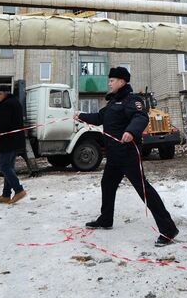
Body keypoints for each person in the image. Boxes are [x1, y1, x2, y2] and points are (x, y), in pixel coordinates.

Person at [75, 66, 179, 247]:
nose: (109, 83)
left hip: (129, 154)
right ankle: (106, 219)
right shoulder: (112, 103)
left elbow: (141, 117)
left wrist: (131, 131)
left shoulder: (132, 100)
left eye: (112, 80)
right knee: (107, 184)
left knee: (144, 190)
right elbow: (99, 118)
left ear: (122, 82)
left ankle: (168, 229)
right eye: (109, 80)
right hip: (114, 156)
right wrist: (81, 116)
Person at [0, 86, 27, 204]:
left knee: (4, 166)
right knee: (9, 167)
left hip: (7, 141)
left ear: (2, 94)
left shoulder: (7, 105)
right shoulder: (14, 102)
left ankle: (19, 190)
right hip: (14, 141)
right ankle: (6, 195)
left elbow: (4, 124)